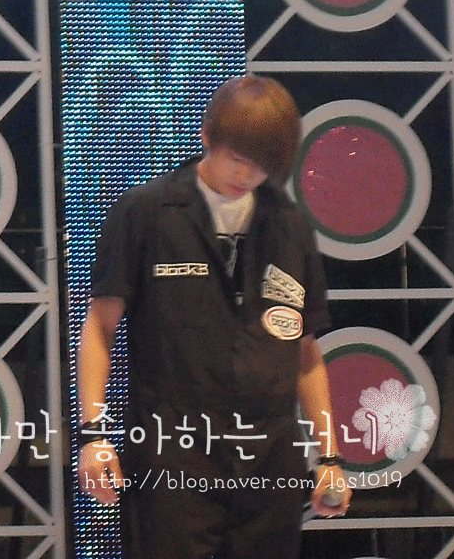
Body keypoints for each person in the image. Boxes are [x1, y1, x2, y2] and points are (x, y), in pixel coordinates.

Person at [76, 75, 351, 559]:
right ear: (206, 135)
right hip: (171, 449)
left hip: (269, 456)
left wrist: (328, 456)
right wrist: (94, 436)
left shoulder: (289, 225)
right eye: (238, 159)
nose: (247, 175)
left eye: (262, 166)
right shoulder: (146, 212)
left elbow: (306, 352)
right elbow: (100, 328)